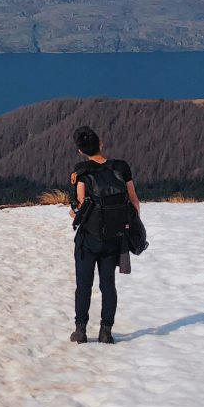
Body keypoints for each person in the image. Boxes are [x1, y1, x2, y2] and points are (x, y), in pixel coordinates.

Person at [68, 125, 140, 345]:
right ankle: (106, 331)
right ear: (101, 143)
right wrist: (129, 227)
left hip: (89, 238)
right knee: (108, 284)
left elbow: (78, 208)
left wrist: (75, 212)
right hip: (114, 237)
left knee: (84, 284)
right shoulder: (121, 167)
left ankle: (80, 331)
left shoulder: (81, 171)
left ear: (80, 150)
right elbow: (134, 201)